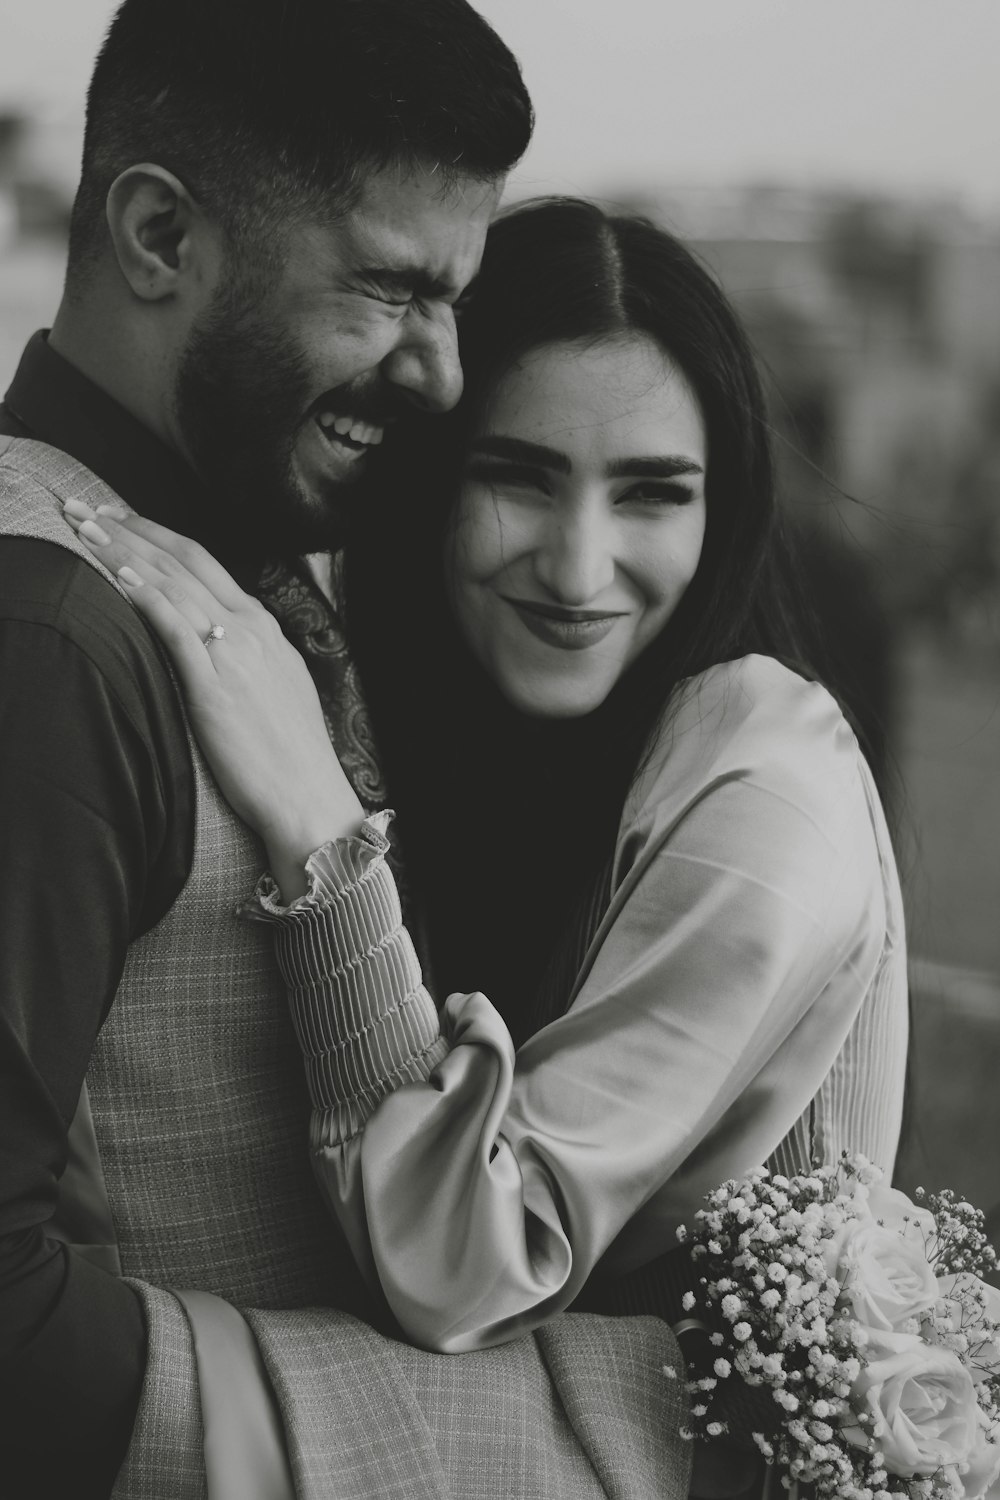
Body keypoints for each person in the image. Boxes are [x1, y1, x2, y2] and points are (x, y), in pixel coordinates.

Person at [68, 198, 909, 1477]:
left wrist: (316, 822)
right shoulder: (474, 730)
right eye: (518, 476)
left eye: (651, 495)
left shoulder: (764, 775)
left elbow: (469, 1259)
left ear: (719, 512)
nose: (579, 569)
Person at [1, 10, 695, 1500]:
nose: (444, 376)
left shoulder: (239, 559)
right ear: (158, 237)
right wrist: (504, 1437)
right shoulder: (52, 642)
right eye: (389, 290)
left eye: (458, 299)